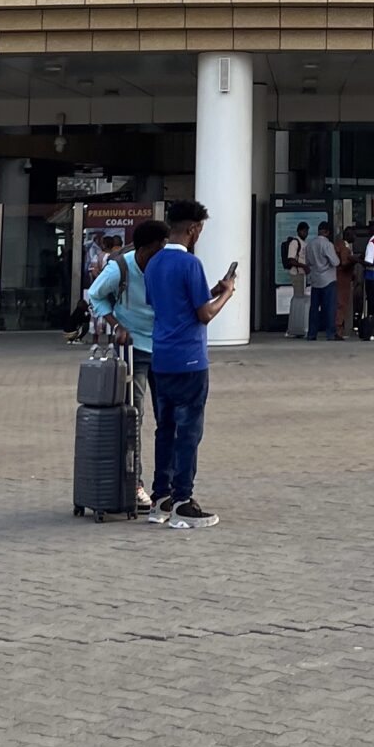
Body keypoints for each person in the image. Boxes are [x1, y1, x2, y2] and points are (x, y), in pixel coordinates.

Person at [143, 200, 234, 527]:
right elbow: (203, 314)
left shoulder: (154, 263)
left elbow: (167, 302)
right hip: (190, 359)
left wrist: (210, 291)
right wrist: (227, 294)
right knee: (189, 431)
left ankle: (161, 498)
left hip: (161, 357)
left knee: (165, 428)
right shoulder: (190, 264)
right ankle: (184, 498)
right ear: (194, 229)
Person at [86, 218, 167, 516]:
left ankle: (166, 488)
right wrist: (116, 325)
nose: (160, 256)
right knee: (134, 417)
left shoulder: (166, 264)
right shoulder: (120, 268)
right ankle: (135, 483)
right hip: (133, 350)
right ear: (144, 249)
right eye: (156, 251)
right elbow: (95, 295)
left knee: (168, 418)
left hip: (164, 348)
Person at [303, 220, 342, 340]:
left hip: (315, 280)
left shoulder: (310, 244)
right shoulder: (327, 244)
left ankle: (312, 333)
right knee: (330, 308)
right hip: (328, 280)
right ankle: (330, 334)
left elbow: (307, 262)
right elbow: (336, 262)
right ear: (327, 232)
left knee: (314, 308)